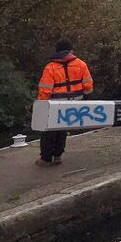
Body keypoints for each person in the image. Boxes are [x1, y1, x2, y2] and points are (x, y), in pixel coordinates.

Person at [36, 39, 94, 167]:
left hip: (55, 103)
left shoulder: (50, 67)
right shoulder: (81, 64)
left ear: (57, 51)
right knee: (62, 130)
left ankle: (46, 159)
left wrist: (42, 105)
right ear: (71, 50)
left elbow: (45, 90)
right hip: (74, 104)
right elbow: (88, 87)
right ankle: (58, 156)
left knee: (48, 131)